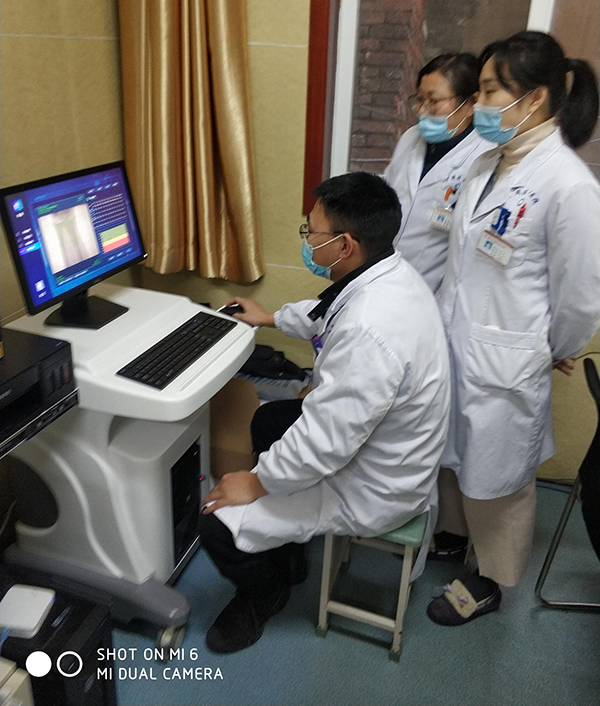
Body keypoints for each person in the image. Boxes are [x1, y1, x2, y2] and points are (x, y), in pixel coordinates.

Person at [198, 171, 451, 653]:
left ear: (344, 244)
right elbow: (324, 314)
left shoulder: (369, 329)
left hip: (374, 485)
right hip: (384, 448)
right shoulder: (387, 271)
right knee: (268, 421)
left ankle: (264, 593)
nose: (307, 240)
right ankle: (287, 552)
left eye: (311, 232)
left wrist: (256, 482)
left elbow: (325, 442)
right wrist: (270, 317)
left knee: (215, 520)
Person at [427, 31, 600, 626]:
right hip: (456, 343)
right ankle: (454, 538)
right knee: (454, 457)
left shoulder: (570, 185)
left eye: (489, 91)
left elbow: (580, 295)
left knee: (499, 479)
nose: (478, 104)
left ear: (534, 98)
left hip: (507, 360)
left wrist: (551, 349)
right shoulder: (485, 161)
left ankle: (491, 580)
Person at [384, 53, 493, 293]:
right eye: (419, 99)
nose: (422, 110)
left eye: (433, 101)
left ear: (471, 103)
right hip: (384, 277)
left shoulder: (485, 158)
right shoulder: (410, 138)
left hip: (433, 293)